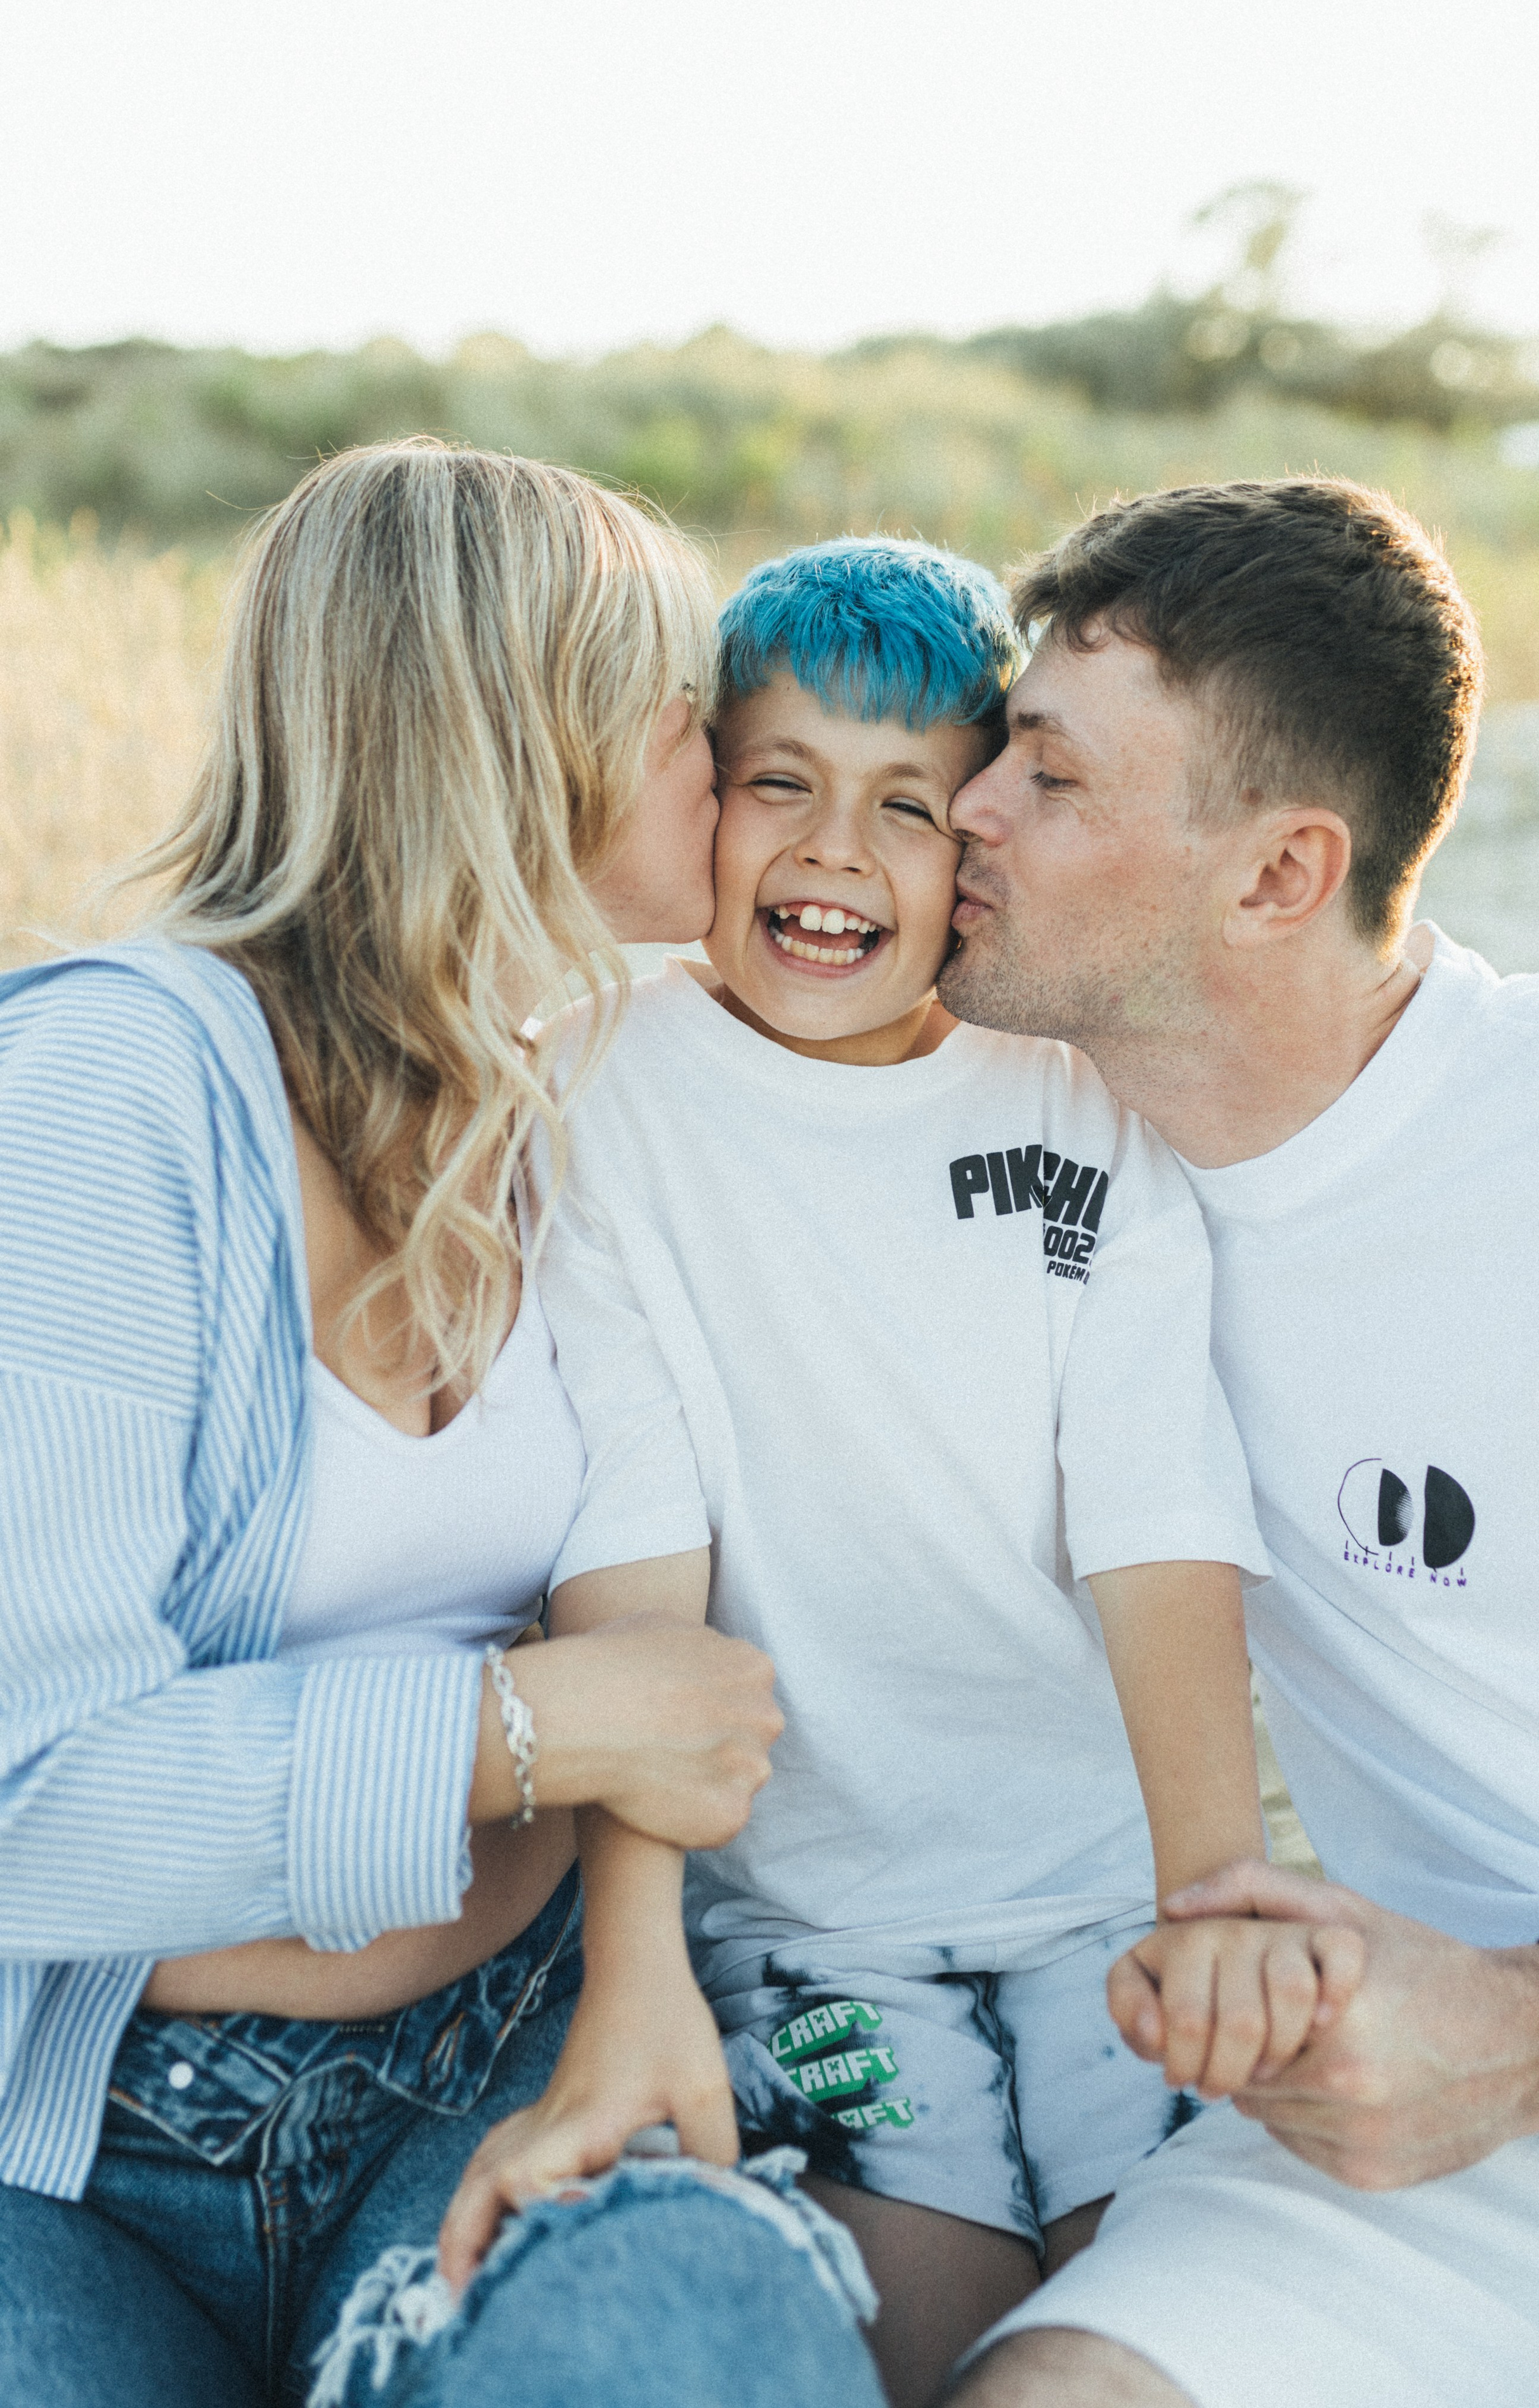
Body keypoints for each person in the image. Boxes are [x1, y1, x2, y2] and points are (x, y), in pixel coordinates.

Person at [0, 442, 884, 2408]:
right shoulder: (103, 1101)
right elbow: (23, 1804)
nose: (720, 747)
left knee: (696, 2346)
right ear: (523, 735)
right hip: (81, 2153)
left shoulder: (580, 1110)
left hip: (507, 2061)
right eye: (678, 702)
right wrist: (537, 1728)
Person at [464, 538, 1360, 2408]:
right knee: (921, 2343)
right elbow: (635, 1552)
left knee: (1160, 2328)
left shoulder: (1072, 1086)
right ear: (703, 794)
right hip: (811, 1929)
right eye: (778, 783)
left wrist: (1216, 1899)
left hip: (1113, 1898)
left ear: (977, 845)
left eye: (906, 807)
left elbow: (1154, 1516)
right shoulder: (592, 1093)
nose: (832, 857)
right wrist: (636, 1963)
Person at [934, 476, 1539, 2408]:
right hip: (1412, 2132)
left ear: (1277, 875)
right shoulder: (1027, 1140)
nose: (967, 808)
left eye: (1052, 783)